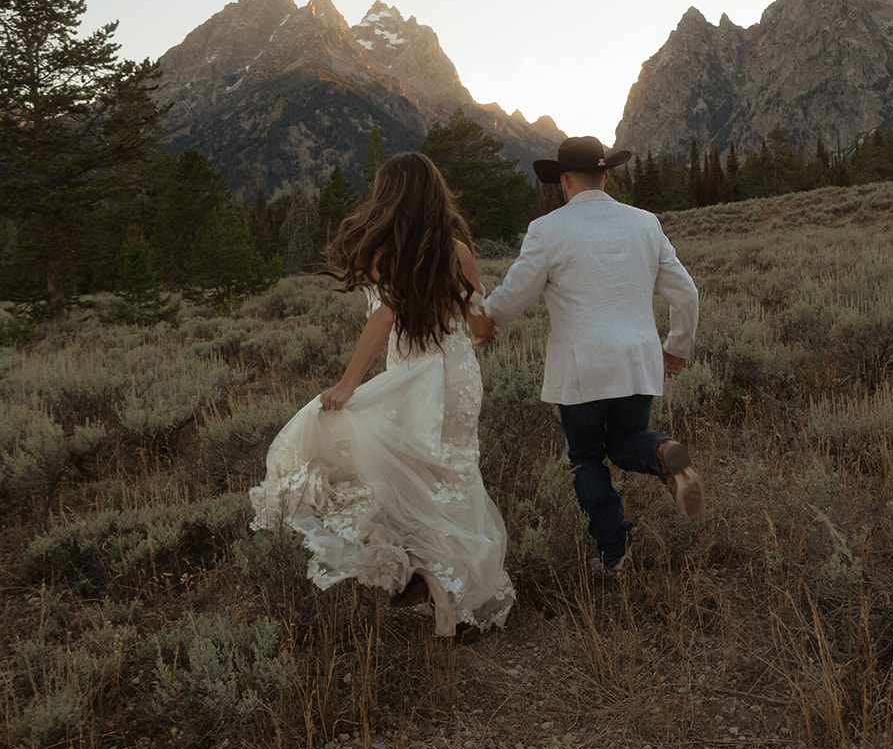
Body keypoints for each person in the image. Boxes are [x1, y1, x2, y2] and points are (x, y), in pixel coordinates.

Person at [250, 152, 514, 639]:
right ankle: (457, 596)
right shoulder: (458, 251)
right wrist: (479, 330)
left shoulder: (382, 254)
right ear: (435, 194)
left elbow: (383, 317)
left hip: (412, 381)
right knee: (456, 478)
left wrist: (349, 384)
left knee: (402, 477)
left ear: (388, 197)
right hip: (457, 380)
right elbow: (481, 323)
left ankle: (420, 571)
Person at [469, 135, 704, 572]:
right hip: (636, 361)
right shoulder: (645, 223)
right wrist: (676, 346)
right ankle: (662, 449)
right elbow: (686, 293)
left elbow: (514, 297)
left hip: (581, 370)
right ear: (606, 176)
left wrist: (485, 318)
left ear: (564, 181)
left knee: (587, 458)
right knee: (626, 442)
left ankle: (615, 555)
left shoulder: (547, 229)